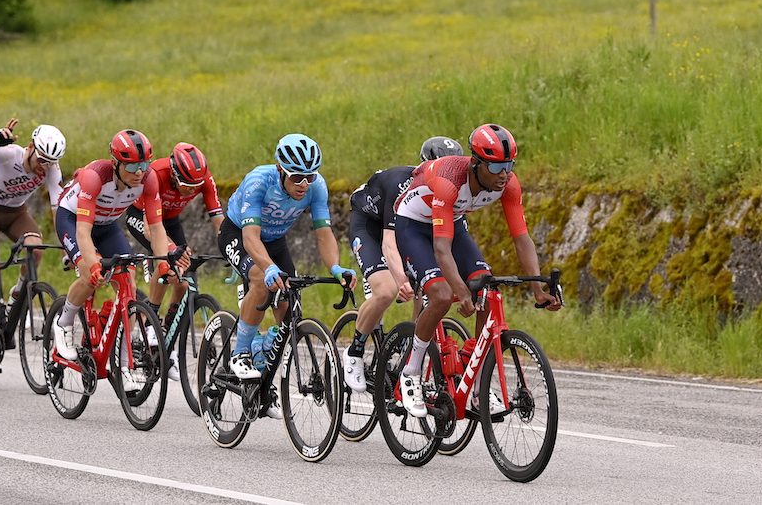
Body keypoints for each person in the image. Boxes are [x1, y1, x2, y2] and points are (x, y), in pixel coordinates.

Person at [392, 123, 561, 417]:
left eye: (509, 165)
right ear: (475, 163)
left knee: (486, 286)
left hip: (451, 221)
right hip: (413, 224)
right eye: (496, 167)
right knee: (443, 295)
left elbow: (522, 238)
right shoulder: (449, 180)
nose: (504, 174)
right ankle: (411, 371)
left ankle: (478, 383)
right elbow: (441, 250)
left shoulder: (508, 184)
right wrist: (459, 290)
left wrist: (538, 289)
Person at [219, 133, 357, 418]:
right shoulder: (259, 182)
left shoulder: (316, 187)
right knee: (260, 280)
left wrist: (336, 268)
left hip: (275, 240)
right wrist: (268, 268)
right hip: (239, 234)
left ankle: (264, 360)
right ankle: (240, 353)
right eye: (297, 177)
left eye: (309, 176)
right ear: (280, 169)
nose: (303, 184)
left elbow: (324, 233)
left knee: (289, 310)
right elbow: (250, 237)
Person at [51, 129, 186, 392]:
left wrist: (164, 264)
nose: (140, 172)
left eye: (145, 165)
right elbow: (83, 232)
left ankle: (125, 366)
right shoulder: (94, 178)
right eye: (133, 165)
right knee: (90, 276)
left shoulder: (147, 181)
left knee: (129, 283)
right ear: (116, 164)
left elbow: (157, 228)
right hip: (73, 219)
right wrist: (93, 265)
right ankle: (63, 323)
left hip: (108, 224)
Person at [341, 136, 465, 393]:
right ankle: (354, 351)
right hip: (370, 227)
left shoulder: (453, 192)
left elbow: (450, 245)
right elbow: (388, 243)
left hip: (406, 230)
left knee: (429, 284)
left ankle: (409, 345)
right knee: (386, 290)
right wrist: (400, 279)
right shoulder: (403, 186)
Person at [0, 119, 66, 373]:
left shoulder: (51, 170)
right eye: (42, 160)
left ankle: (17, 295)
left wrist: (67, 249)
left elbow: (58, 211)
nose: (45, 167)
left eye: (51, 162)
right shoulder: (8, 154)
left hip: (16, 214)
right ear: (30, 147)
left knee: (36, 249)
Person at [124, 142, 224, 380]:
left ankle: (165, 340)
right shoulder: (156, 175)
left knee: (182, 282)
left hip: (169, 220)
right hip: (143, 217)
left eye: (196, 187)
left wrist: (232, 250)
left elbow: (219, 220)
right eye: (187, 185)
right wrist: (170, 248)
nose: (191, 191)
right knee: (167, 261)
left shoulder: (203, 179)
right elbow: (151, 230)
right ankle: (151, 326)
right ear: (175, 174)